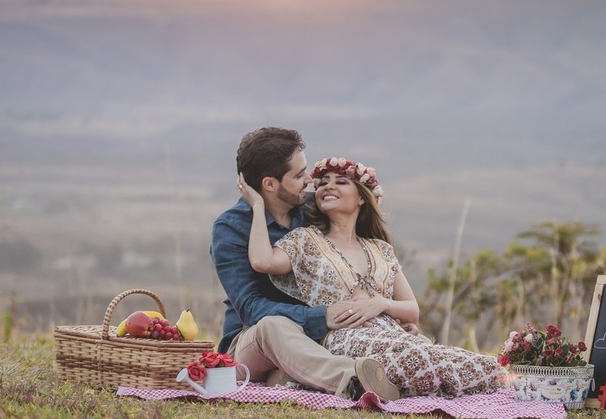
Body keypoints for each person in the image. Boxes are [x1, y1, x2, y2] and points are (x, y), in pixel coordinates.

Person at [241, 155, 506, 398]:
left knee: (471, 361)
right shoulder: (305, 241)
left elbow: (411, 311)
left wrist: (381, 304)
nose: (326, 187)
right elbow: (262, 261)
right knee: (418, 358)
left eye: (341, 182)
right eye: (322, 183)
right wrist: (257, 207)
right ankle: (367, 380)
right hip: (345, 337)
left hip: (393, 334)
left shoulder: (381, 250)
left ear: (361, 198)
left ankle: (514, 378)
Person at [211, 127, 400, 401]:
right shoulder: (231, 228)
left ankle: (294, 378)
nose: (310, 180)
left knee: (291, 372)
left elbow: (358, 258)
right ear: (270, 184)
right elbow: (250, 308)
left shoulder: (314, 209)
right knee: (272, 326)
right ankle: (353, 379)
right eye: (299, 175)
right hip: (253, 342)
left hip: (317, 342)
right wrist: (322, 316)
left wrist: (388, 314)